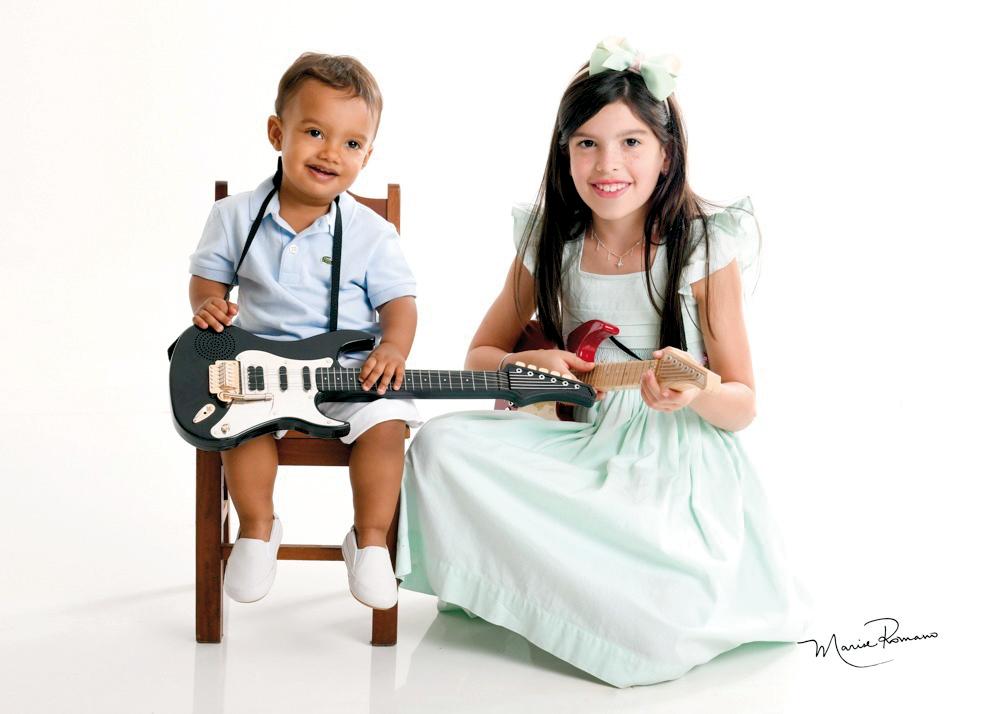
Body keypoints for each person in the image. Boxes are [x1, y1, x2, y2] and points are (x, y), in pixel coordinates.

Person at [394, 38, 812, 686]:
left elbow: (743, 404)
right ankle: (547, 594)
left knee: (655, 618)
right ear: (564, 153)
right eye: (586, 142)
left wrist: (697, 389)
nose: (606, 162)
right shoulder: (551, 243)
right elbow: (480, 356)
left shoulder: (701, 246)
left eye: (631, 143)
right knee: (440, 446)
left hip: (671, 453)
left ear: (666, 153)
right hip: (580, 437)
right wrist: (530, 361)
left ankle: (604, 600)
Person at [188, 53, 419, 610]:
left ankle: (367, 542)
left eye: (352, 143)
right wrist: (210, 306)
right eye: (314, 131)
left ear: (367, 153)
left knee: (385, 423)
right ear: (277, 133)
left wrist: (392, 345)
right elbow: (205, 280)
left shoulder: (372, 231)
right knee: (239, 421)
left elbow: (400, 303)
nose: (330, 153)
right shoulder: (235, 215)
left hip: (344, 373)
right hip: (260, 368)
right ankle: (258, 528)